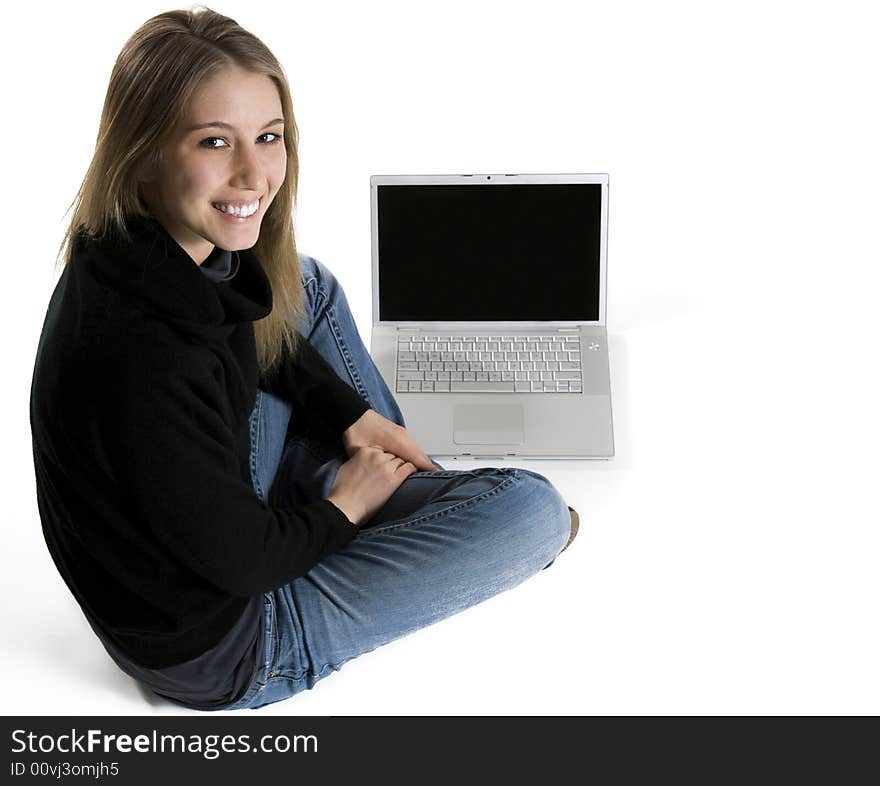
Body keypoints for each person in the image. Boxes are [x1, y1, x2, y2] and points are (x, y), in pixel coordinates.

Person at [29, 5, 577, 712]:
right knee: (532, 512)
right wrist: (347, 506)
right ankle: (359, 496)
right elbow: (243, 562)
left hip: (195, 526)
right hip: (224, 642)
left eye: (268, 136)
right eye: (214, 142)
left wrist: (352, 416)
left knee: (304, 284)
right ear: (144, 157)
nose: (256, 174)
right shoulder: (147, 360)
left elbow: (246, 330)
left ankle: (352, 479)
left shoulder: (135, 246)